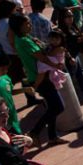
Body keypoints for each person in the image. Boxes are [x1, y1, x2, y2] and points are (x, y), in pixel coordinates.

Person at [9, 13, 67, 147]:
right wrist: (56, 65)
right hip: (41, 78)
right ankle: (34, 132)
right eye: (27, 24)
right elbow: (42, 57)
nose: (30, 25)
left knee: (52, 107)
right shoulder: (24, 40)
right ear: (19, 26)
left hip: (41, 76)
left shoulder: (22, 38)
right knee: (58, 107)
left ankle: (52, 137)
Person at [56, 9, 83, 103]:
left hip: (75, 56)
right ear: (62, 18)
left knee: (80, 77)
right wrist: (70, 56)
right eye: (67, 16)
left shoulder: (73, 27)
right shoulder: (61, 31)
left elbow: (78, 40)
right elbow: (63, 46)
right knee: (69, 79)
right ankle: (67, 99)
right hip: (68, 58)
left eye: (71, 16)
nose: (70, 18)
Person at [0, 51, 33, 135]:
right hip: (1, 124)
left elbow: (9, 91)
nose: (6, 71)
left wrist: (23, 90)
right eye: (2, 69)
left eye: (7, 68)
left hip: (13, 118)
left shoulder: (5, 78)